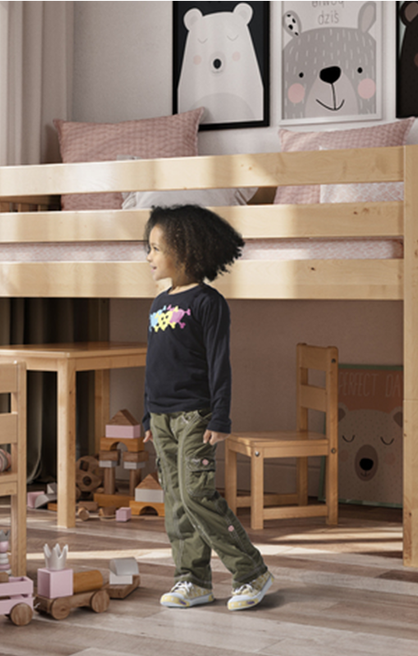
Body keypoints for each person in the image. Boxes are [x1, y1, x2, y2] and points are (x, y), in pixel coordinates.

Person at [142, 204, 273, 611]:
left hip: (195, 417)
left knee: (198, 496)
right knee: (177, 501)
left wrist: (220, 416)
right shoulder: (157, 304)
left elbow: (220, 363)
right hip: (162, 417)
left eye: (155, 248)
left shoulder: (208, 303)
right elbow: (154, 365)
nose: (148, 256)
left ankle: (252, 572)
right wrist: (148, 414)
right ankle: (192, 580)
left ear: (184, 251)